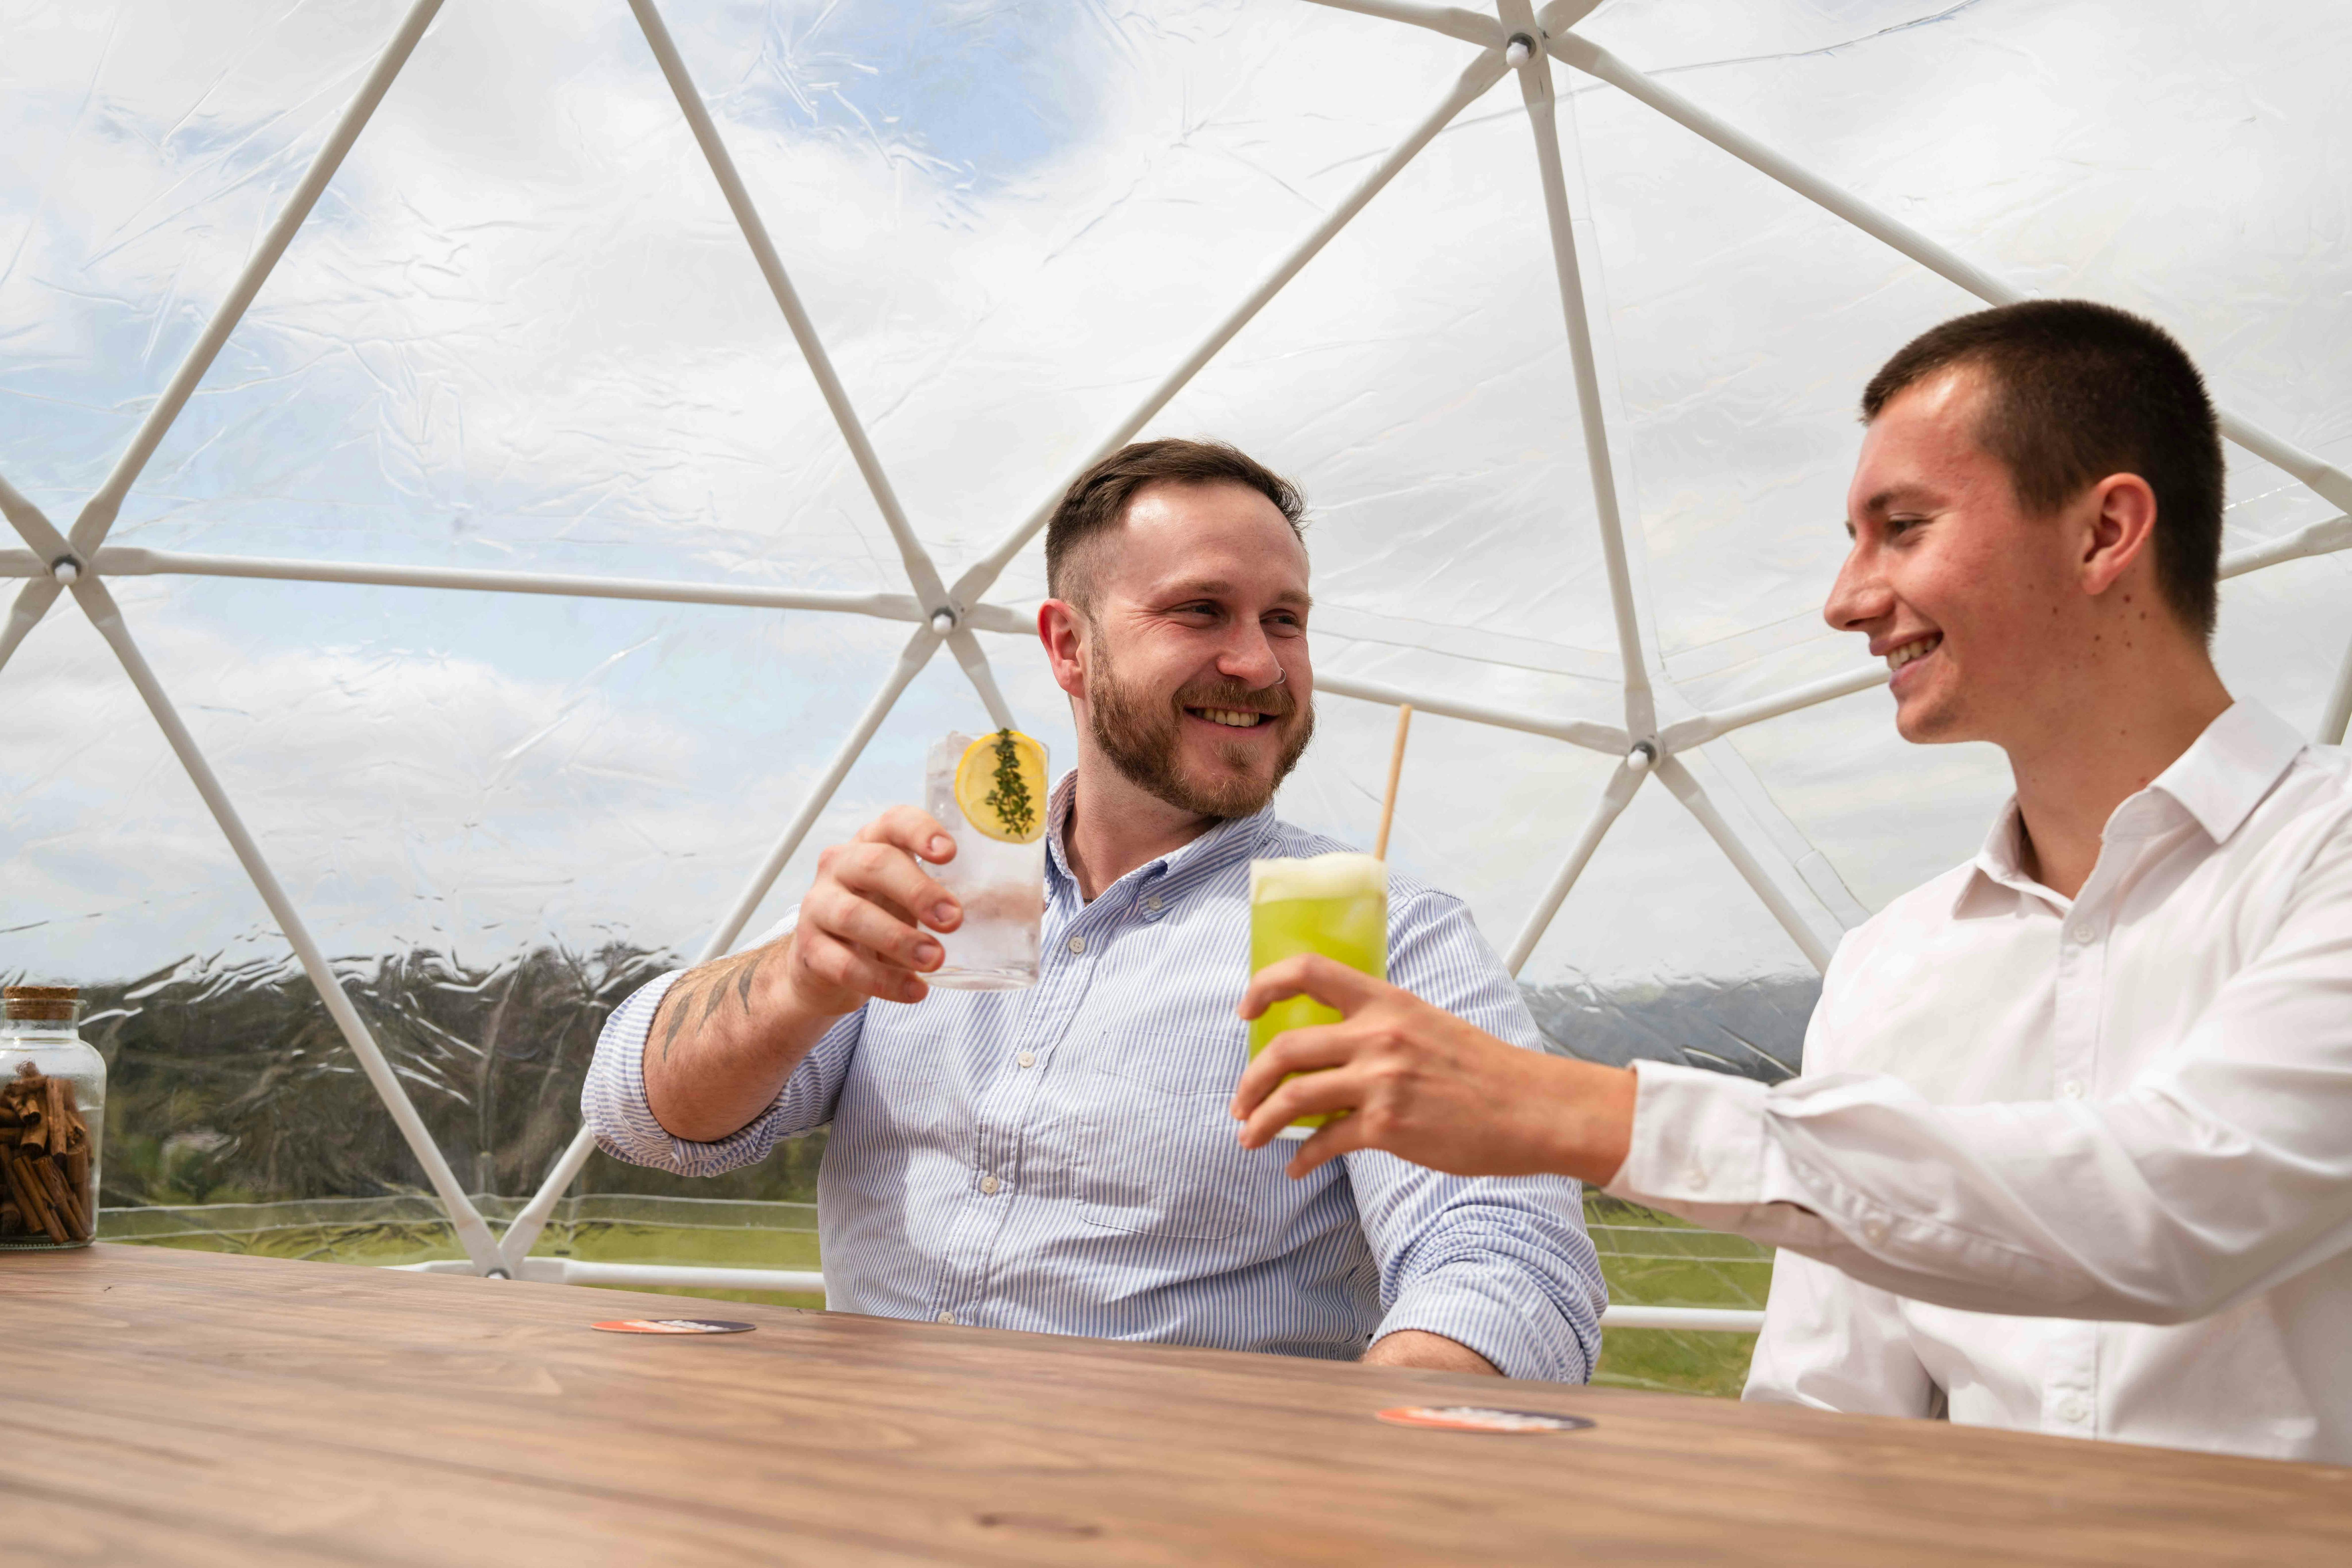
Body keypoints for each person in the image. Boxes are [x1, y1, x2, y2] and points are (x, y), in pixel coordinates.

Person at [1230, 300, 2352, 1462]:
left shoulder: (2324, 862)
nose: (1845, 598)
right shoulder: (1889, 967)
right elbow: (1827, 1415)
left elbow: (2173, 1206)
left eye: (1901, 527)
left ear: (2101, 532)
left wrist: (1572, 1109)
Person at [583, 438, 1605, 1381]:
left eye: (1284, 619)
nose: (1258, 662)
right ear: (1068, 647)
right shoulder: (940, 884)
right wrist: (797, 983)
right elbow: (643, 1114)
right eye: (1201, 611)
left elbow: (1508, 1262)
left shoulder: (1383, 933)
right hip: (876, 1492)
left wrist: (1351, 1483)